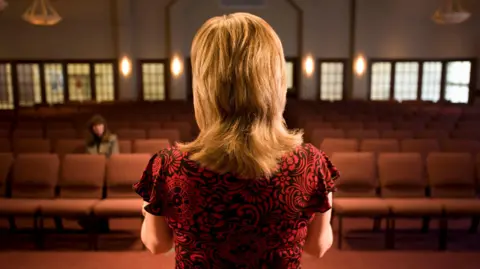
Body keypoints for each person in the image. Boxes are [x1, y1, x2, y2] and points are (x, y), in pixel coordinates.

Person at [133, 12, 338, 268]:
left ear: (204, 85)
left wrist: (147, 206)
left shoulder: (169, 166)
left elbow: (156, 244)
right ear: (274, 81)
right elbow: (318, 247)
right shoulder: (311, 163)